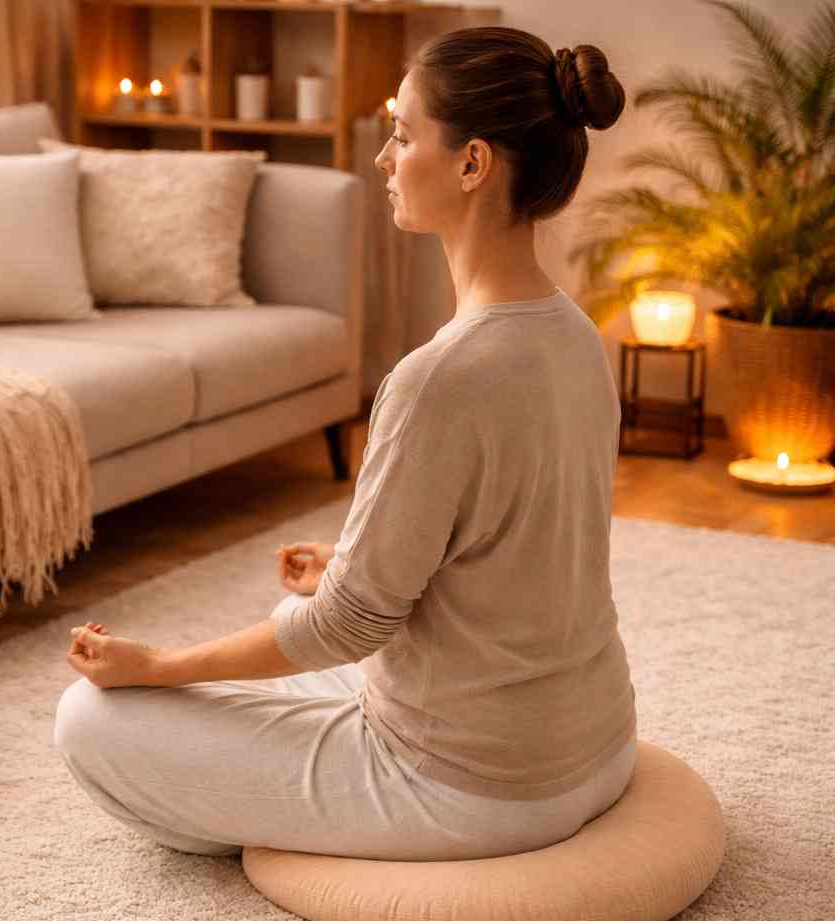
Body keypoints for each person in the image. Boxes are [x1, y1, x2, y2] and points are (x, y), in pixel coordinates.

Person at [55, 26, 638, 862]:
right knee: (290, 635)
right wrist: (357, 561)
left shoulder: (435, 378)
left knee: (91, 718)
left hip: (473, 788)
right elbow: (532, 554)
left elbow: (347, 629)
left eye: (402, 134)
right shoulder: (579, 338)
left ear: (473, 164)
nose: (384, 158)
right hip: (597, 746)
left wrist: (160, 664)